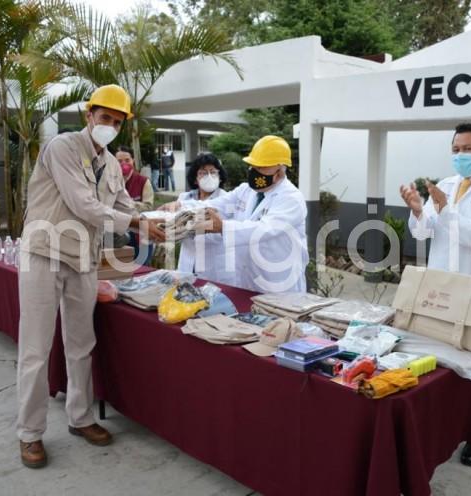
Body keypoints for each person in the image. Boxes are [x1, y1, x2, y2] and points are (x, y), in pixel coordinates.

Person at [16, 85, 165, 469]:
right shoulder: (62, 147)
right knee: (36, 348)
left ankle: (80, 418)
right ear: (89, 115)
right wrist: (135, 221)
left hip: (83, 258)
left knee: (81, 342)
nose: (110, 126)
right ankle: (30, 434)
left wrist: (162, 220)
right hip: (43, 252)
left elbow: (127, 207)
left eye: (117, 122)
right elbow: (85, 204)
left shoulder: (113, 165)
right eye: (105, 118)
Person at [399, 122, 471, 467]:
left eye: (467, 149)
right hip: (440, 288)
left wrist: (446, 210)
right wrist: (418, 210)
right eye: (455, 150)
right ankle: (439, 433)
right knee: (438, 364)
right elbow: (425, 234)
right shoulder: (447, 185)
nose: (460, 155)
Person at [170, 136, 308, 293]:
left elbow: (263, 230)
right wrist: (181, 207)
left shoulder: (291, 199)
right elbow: (215, 205)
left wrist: (222, 227)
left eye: (261, 168)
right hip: (247, 281)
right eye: (253, 166)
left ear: (280, 172)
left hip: (278, 284)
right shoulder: (246, 190)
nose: (255, 172)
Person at [173, 153, 230, 282]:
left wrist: (190, 225)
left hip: (213, 264)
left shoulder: (226, 198)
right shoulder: (184, 198)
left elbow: (223, 232)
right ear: (195, 179)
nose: (209, 176)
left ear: (220, 177)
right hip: (187, 262)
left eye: (213, 172)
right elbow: (176, 226)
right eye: (203, 173)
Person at [117, 145, 154, 265]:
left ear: (133, 160)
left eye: (127, 160)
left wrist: (127, 204)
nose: (124, 164)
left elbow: (148, 206)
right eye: (119, 161)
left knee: (141, 270)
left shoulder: (143, 181)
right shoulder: (111, 182)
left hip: (140, 234)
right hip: (118, 235)